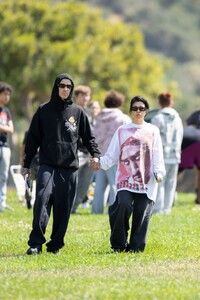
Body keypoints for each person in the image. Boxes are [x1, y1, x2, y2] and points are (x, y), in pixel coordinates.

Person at [21, 73, 101, 255]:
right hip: (47, 165)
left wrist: (95, 154)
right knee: (42, 200)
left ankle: (55, 245)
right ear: (56, 87)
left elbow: (88, 138)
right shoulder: (43, 110)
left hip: (69, 167)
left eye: (68, 86)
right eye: (62, 86)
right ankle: (35, 243)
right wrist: (26, 164)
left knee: (63, 207)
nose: (65, 89)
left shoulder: (78, 112)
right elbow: (33, 140)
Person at [90, 96, 165, 253]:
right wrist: (100, 162)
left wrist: (158, 172)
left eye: (142, 108)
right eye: (135, 108)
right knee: (122, 204)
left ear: (146, 111)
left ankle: (136, 248)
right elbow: (112, 155)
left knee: (141, 212)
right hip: (125, 180)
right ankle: (118, 244)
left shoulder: (153, 131)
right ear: (130, 111)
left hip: (146, 181)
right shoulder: (122, 131)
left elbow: (157, 154)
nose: (138, 111)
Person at [92, 90, 131, 214]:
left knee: (99, 187)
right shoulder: (123, 118)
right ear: (120, 103)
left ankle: (96, 211)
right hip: (115, 158)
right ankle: (113, 210)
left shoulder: (98, 117)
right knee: (115, 186)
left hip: (99, 156)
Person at [151, 92, 183, 214]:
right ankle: (167, 208)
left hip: (161, 155)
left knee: (159, 183)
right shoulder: (178, 118)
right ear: (171, 102)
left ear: (159, 103)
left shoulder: (157, 118)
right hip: (175, 155)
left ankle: (158, 209)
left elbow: (152, 138)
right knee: (171, 183)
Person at [71, 85, 97, 213]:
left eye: (87, 95)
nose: (85, 98)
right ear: (76, 97)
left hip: (89, 154)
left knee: (85, 184)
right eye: (82, 95)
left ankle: (73, 208)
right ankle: (65, 207)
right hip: (76, 152)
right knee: (71, 181)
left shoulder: (90, 112)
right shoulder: (72, 110)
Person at [178, 109, 200, 204]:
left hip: (185, 139)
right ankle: (199, 199)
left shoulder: (194, 114)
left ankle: (169, 197)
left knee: (175, 173)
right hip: (197, 141)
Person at [0, 82, 14, 212]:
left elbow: (11, 129)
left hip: (4, 146)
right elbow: (7, 128)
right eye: (4, 94)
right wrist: (5, 128)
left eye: (8, 94)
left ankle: (2, 204)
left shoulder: (6, 111)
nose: (7, 96)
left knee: (3, 176)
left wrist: (2, 128)